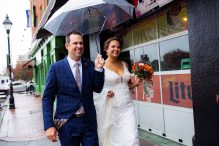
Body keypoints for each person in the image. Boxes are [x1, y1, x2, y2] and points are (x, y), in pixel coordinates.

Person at [42, 30, 105, 146]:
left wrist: (99, 69)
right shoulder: (56, 68)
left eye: (81, 43)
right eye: (75, 43)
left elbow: (98, 88)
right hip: (67, 123)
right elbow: (47, 98)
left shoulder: (90, 64)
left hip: (88, 122)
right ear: (67, 46)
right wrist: (49, 125)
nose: (79, 46)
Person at [94, 36, 142, 146]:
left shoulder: (124, 64)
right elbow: (96, 88)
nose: (116, 49)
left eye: (119, 47)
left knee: (132, 139)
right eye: (113, 46)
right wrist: (105, 93)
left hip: (127, 107)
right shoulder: (101, 66)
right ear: (106, 49)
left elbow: (126, 85)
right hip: (111, 108)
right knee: (114, 140)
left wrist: (135, 84)